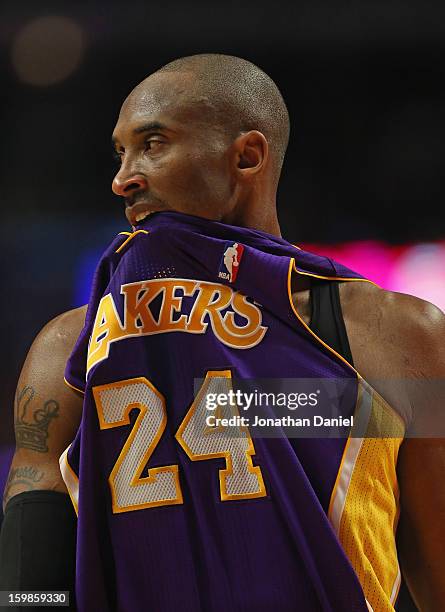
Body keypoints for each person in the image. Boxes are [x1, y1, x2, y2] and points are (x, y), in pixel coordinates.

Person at [0, 53, 444, 611]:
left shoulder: (397, 333)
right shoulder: (68, 344)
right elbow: (30, 569)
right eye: (120, 152)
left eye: (153, 143)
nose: (123, 179)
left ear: (247, 157)